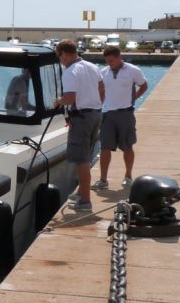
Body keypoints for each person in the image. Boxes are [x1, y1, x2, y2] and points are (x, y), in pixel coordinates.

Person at [53, 39, 105, 212]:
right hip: (96, 114)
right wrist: (96, 105)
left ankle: (85, 201)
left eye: (59, 57)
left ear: (65, 54)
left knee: (80, 160)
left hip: (81, 118)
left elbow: (70, 97)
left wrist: (58, 101)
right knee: (87, 156)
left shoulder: (69, 72)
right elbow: (102, 89)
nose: (60, 61)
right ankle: (82, 191)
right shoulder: (92, 66)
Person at [93, 45, 148, 191]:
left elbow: (144, 86)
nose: (109, 63)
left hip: (126, 114)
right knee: (104, 147)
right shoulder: (103, 72)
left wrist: (133, 98)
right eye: (107, 61)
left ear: (118, 57)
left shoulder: (133, 70)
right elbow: (101, 90)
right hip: (107, 114)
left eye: (111, 60)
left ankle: (128, 176)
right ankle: (103, 179)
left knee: (127, 147)